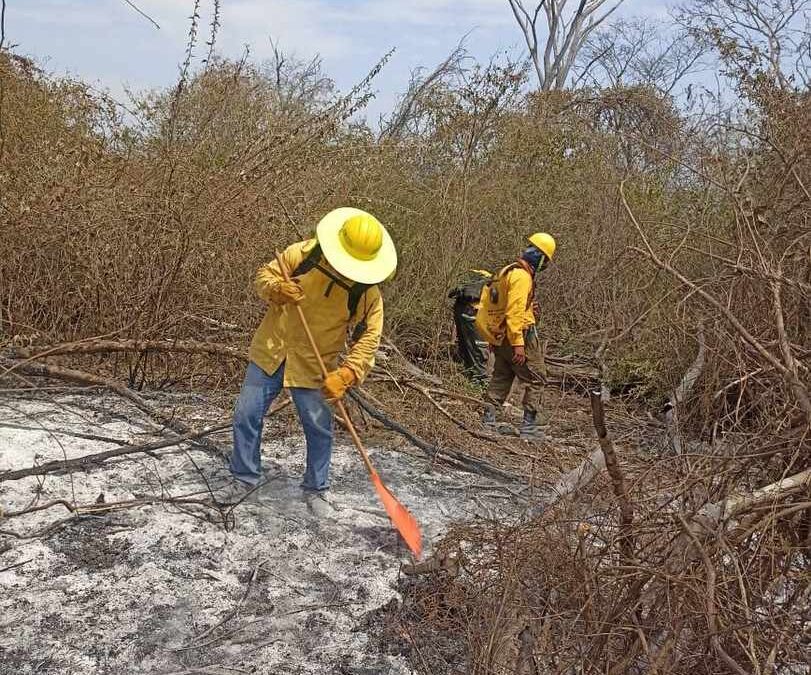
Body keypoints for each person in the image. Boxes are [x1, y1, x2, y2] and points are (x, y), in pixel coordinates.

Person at [224, 207, 397, 507]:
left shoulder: (366, 291)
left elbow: (369, 338)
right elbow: (264, 277)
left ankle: (316, 489)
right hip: (273, 350)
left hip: (316, 364)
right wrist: (278, 288)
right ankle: (244, 478)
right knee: (246, 415)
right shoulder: (303, 255)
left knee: (318, 428)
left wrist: (347, 374)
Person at [475, 233, 556, 440]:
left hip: (501, 336)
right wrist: (519, 344)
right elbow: (514, 312)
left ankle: (488, 420)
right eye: (545, 260)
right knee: (537, 377)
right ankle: (529, 428)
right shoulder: (522, 277)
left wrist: (495, 339)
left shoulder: (507, 270)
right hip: (519, 336)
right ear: (540, 258)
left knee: (502, 376)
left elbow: (500, 305)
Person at [448, 269, 491, 387]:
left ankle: (470, 380)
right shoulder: (508, 290)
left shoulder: (483, 280)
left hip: (462, 308)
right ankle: (480, 385)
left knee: (467, 348)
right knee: (479, 350)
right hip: (475, 312)